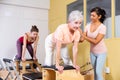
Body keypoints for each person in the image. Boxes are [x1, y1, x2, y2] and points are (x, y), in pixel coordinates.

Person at [80, 7, 107, 80]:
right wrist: (75, 37)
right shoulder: (87, 26)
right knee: (95, 72)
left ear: (99, 16)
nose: (91, 17)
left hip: (101, 53)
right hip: (92, 52)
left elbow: (95, 41)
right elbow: (82, 39)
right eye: (91, 15)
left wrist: (84, 36)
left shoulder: (102, 27)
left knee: (98, 72)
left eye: (93, 15)